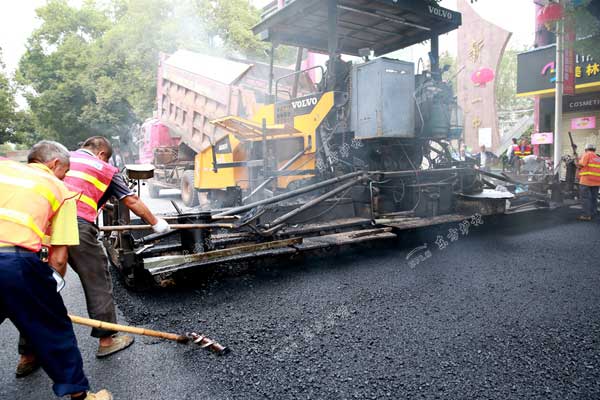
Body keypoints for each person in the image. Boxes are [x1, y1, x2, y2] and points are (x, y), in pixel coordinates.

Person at [18, 136, 170, 369]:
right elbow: (131, 200)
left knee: (40, 285)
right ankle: (107, 339)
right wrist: (156, 222)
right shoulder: (105, 168)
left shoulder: (60, 158)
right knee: (96, 279)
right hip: (77, 223)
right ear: (101, 154)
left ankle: (28, 356)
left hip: (42, 222)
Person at [0, 141, 112, 399]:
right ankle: (80, 395)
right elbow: (59, 258)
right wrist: (49, 296)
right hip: (13, 262)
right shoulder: (59, 189)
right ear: (55, 164)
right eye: (65, 172)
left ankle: (27, 357)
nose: (65, 177)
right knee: (54, 328)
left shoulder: (3, 169)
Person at [576, 143, 600, 221]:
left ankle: (586, 215)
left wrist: (577, 162)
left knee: (585, 198)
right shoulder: (598, 157)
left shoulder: (587, 155)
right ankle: (593, 213)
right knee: (594, 198)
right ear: (594, 150)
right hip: (596, 181)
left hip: (586, 180)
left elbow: (581, 165)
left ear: (586, 149)